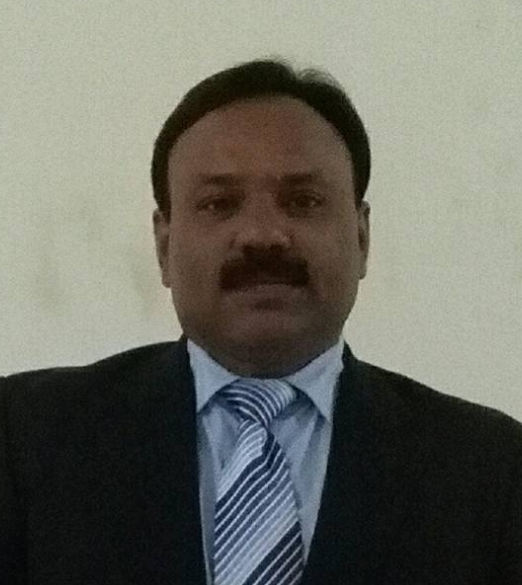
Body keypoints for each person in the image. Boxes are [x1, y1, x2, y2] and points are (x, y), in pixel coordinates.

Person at [1, 59, 521, 585]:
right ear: (163, 246)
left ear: (362, 237)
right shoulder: (22, 440)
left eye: (303, 201)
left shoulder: (490, 470)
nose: (263, 235)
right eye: (218, 204)